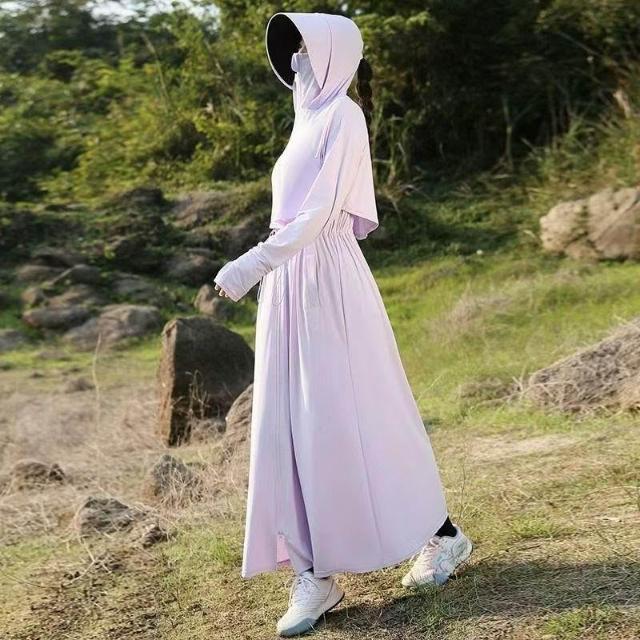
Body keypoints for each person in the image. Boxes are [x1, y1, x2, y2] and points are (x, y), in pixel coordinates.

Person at [213, 11, 473, 638]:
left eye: (305, 48)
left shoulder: (344, 116)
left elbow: (322, 211)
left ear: (332, 53)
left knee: (355, 411)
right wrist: (269, 268)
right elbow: (291, 216)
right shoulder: (302, 120)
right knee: (291, 425)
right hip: (288, 284)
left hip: (327, 279)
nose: (295, 60)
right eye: (291, 51)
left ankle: (442, 535)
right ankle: (314, 574)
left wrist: (252, 263)